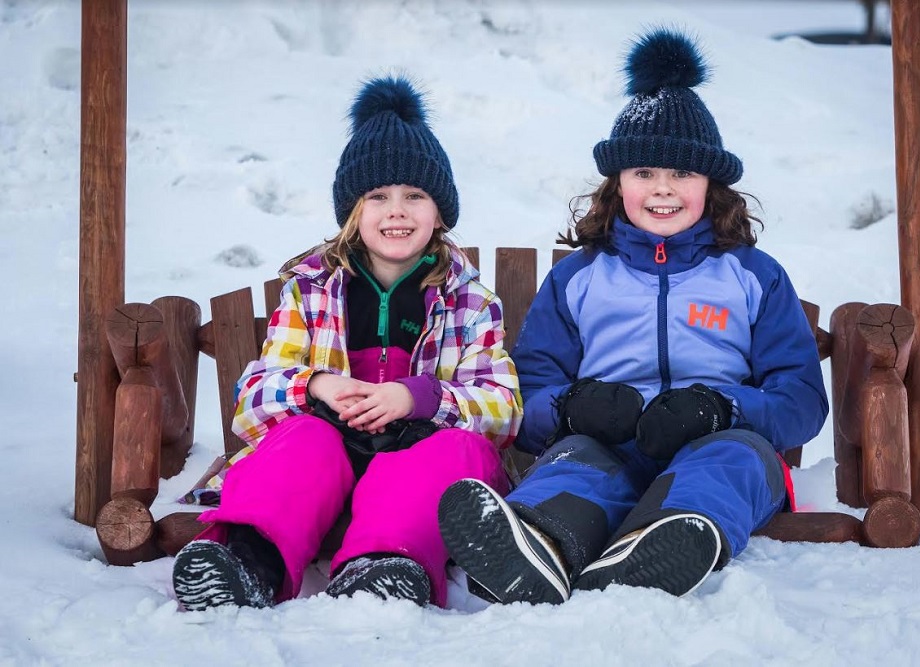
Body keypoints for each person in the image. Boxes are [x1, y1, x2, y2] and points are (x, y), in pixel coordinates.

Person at [437, 28, 828, 605]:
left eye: (681, 175)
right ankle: (533, 542)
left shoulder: (751, 276)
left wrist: (724, 408)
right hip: (609, 444)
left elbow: (800, 399)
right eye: (644, 174)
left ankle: (662, 543)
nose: (662, 190)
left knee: (725, 464)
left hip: (723, 444)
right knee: (574, 464)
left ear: (710, 184)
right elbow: (531, 393)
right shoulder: (580, 279)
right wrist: (574, 408)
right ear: (617, 184)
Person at [171, 75, 521, 611]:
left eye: (415, 195)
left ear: (440, 212)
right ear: (353, 211)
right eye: (378, 196)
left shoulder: (467, 301)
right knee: (301, 442)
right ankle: (247, 561)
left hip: (418, 453)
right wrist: (316, 386)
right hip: (328, 457)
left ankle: (384, 565)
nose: (397, 210)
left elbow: (502, 410)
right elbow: (251, 406)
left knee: (456, 451)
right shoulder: (310, 293)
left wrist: (420, 397)